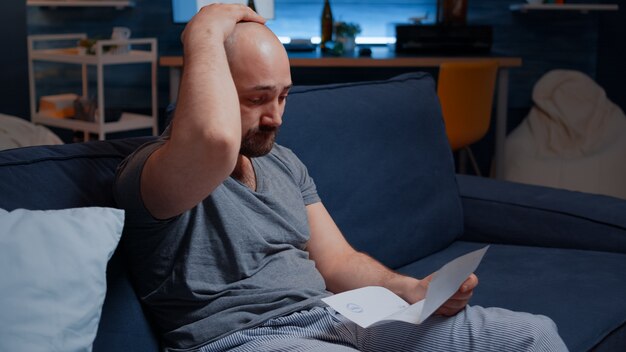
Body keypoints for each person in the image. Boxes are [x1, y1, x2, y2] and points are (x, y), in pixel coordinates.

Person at [115, 4, 568, 352]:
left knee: (532, 336)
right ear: (206, 87)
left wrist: (412, 290)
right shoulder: (151, 173)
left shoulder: (284, 162)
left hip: (334, 316)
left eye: (284, 96)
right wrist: (207, 28)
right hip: (243, 340)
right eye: (257, 99)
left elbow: (338, 263)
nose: (275, 117)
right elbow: (213, 141)